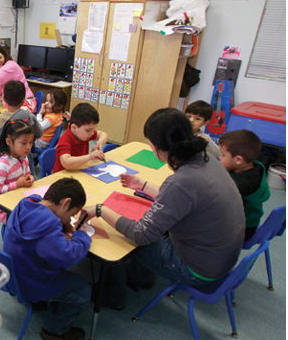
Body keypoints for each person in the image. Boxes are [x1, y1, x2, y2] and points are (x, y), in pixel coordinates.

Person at [79, 108, 244, 308]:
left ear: (158, 148)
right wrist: (142, 185)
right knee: (150, 223)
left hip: (197, 268)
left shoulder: (181, 181)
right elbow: (182, 198)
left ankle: (112, 296)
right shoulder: (204, 158)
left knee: (124, 239)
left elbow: (141, 235)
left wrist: (100, 210)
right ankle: (141, 278)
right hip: (220, 257)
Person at [2, 177, 94, 340]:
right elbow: (68, 257)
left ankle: (37, 302)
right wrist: (81, 235)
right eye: (71, 215)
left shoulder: (26, 203)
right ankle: (54, 330)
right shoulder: (48, 227)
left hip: (13, 274)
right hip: (31, 282)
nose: (70, 220)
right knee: (82, 290)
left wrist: (60, 222)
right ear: (65, 203)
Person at [218, 129, 270, 242]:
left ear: (238, 160)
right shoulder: (254, 165)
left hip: (241, 230)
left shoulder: (241, 185)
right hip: (249, 222)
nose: (220, 158)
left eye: (223, 155)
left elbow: (215, 199)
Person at [0, 121, 37, 223]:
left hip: (20, 199)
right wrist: (16, 184)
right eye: (24, 143)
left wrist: (30, 178)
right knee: (31, 222)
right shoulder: (2, 165)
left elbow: (27, 174)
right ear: (9, 142)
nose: (28, 147)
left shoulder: (23, 157)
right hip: (4, 208)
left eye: (30, 142)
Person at [0, 81, 43, 146]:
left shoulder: (0, 118)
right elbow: (39, 133)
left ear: (4, 98)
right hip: (25, 153)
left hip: (6, 153)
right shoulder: (29, 116)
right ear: (24, 100)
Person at [52, 103, 109, 173]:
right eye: (88, 130)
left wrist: (100, 142)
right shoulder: (65, 140)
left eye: (93, 129)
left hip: (78, 170)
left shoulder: (84, 134)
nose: (92, 133)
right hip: (63, 176)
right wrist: (90, 157)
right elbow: (66, 162)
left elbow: (103, 134)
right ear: (74, 128)